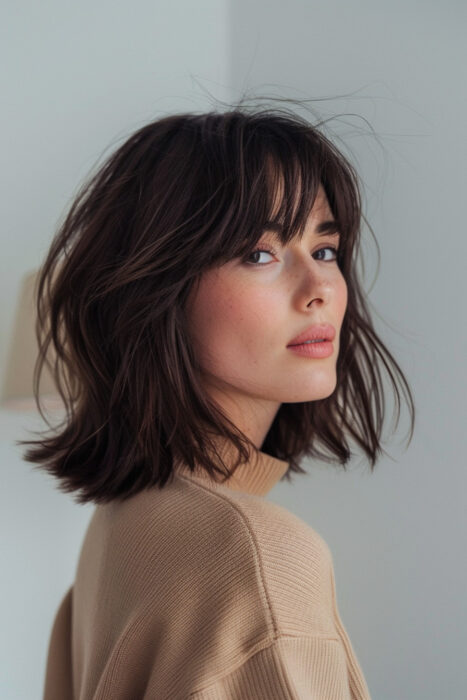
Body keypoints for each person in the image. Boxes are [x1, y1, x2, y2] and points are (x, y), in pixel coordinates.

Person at [18, 101, 415, 699]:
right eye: (260, 254)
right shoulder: (260, 559)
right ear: (160, 292)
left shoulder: (125, 519)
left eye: (325, 250)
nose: (320, 290)